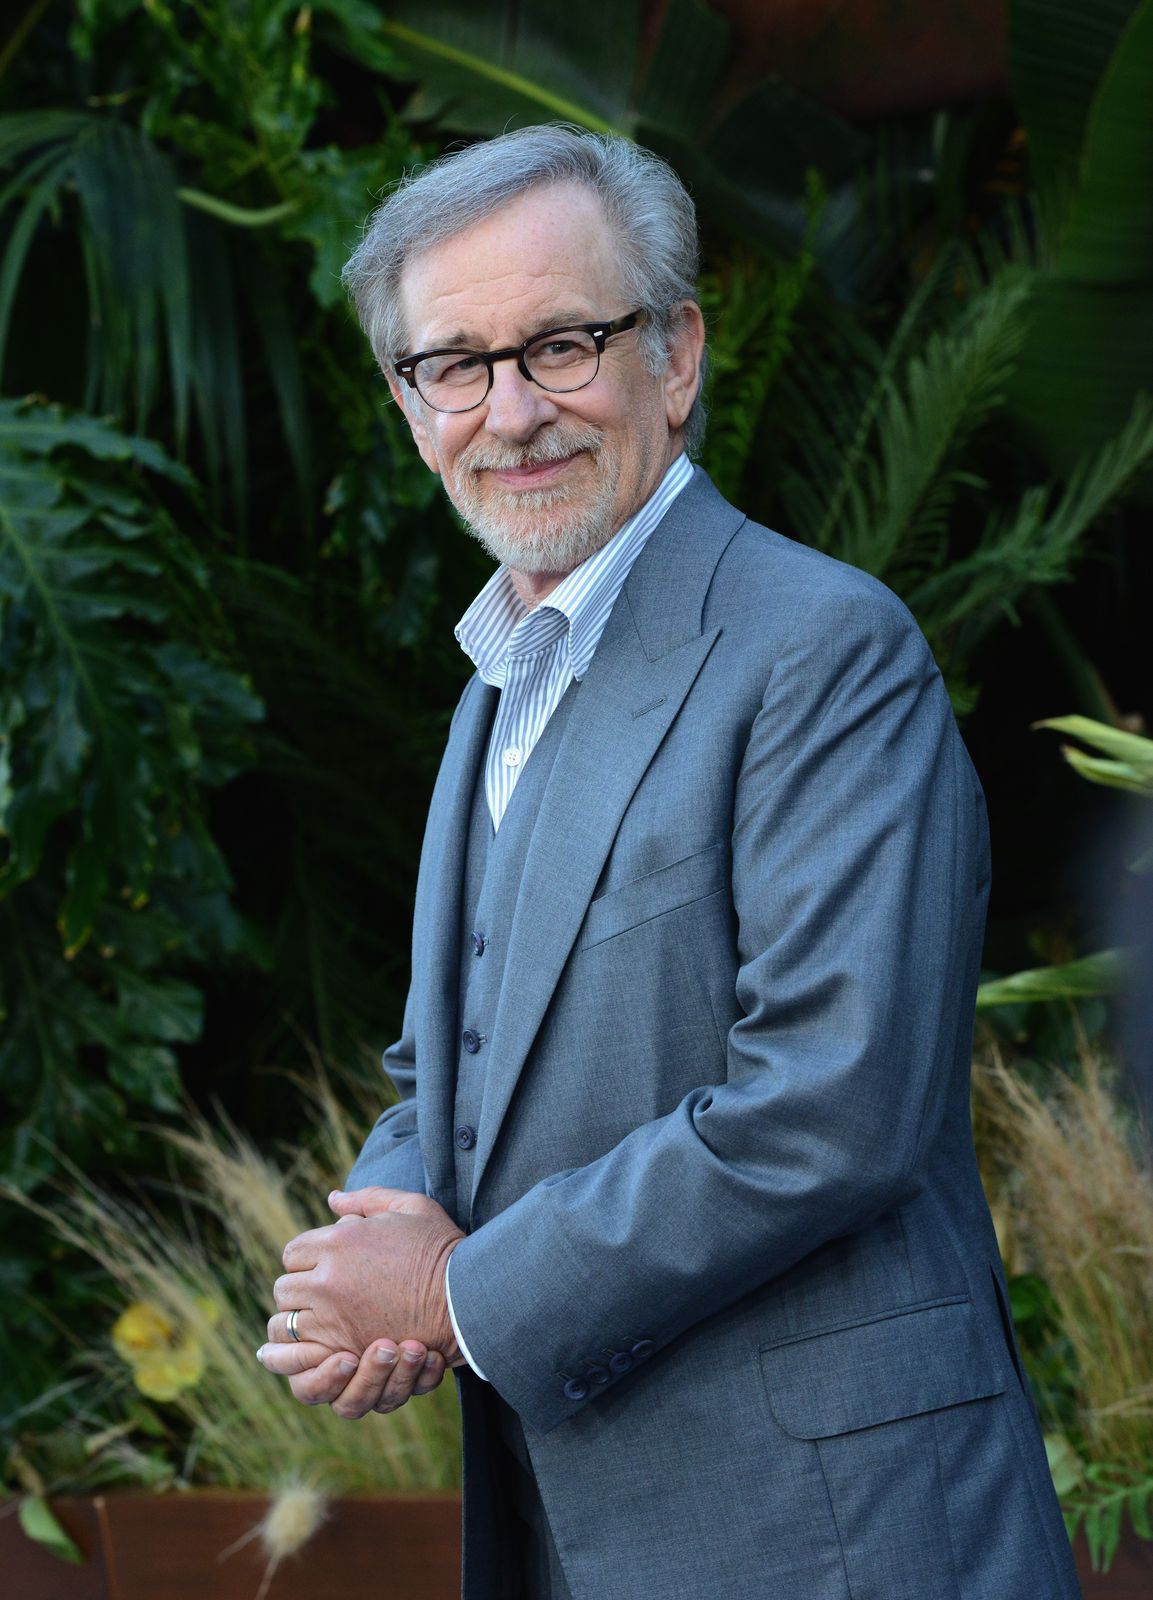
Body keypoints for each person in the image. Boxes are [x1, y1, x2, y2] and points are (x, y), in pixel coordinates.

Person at [256, 125, 1082, 1599]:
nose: (509, 412)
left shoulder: (818, 648)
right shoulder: (499, 679)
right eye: (454, 364)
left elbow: (829, 1105)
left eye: (562, 344)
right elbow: (455, 1049)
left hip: (833, 1533)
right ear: (408, 403)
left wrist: (450, 1295)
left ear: (677, 354)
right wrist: (370, 1252)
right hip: (575, 1523)